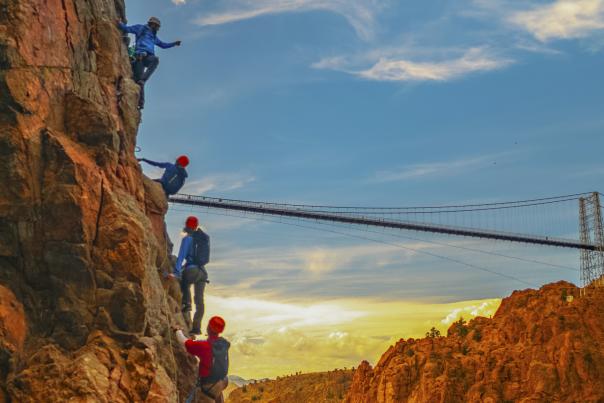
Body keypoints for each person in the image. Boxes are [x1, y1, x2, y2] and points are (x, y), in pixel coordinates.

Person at [117, 17, 182, 109]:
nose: (157, 28)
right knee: (138, 80)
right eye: (157, 26)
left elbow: (163, 45)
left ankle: (143, 81)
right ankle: (140, 103)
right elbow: (128, 29)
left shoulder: (154, 36)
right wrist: (119, 23)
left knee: (155, 61)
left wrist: (174, 44)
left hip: (148, 57)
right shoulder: (141, 28)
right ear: (152, 24)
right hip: (139, 57)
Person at [174, 316, 230, 403]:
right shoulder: (221, 345)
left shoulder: (205, 346)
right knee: (216, 394)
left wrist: (177, 330)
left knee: (207, 397)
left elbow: (183, 341)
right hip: (222, 381)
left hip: (209, 387)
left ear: (209, 328)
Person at [171, 216, 211, 335]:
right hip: (203, 273)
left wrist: (176, 272)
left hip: (192, 270)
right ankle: (197, 327)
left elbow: (181, 256)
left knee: (185, 281)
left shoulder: (187, 239)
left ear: (187, 226)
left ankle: (186, 304)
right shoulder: (204, 239)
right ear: (196, 226)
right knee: (199, 301)